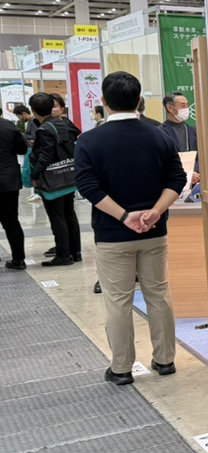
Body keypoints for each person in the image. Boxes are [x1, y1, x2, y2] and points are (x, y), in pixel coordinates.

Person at [74, 71, 187, 386]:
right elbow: (177, 179)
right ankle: (165, 361)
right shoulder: (160, 136)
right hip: (154, 232)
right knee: (158, 295)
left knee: (118, 300)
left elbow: (88, 187)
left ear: (104, 102)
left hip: (112, 236)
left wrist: (124, 217)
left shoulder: (89, 141)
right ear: (139, 101)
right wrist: (155, 211)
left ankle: (122, 368)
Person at [27, 92, 82, 266]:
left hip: (53, 179)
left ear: (33, 110)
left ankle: (63, 255)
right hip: (69, 174)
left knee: (57, 216)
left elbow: (46, 156)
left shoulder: (44, 130)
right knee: (69, 214)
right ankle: (75, 251)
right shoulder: (65, 123)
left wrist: (34, 174)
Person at [0, 114, 28, 269]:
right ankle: (18, 259)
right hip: (8, 180)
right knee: (11, 221)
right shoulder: (10, 126)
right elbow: (22, 149)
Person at [159, 91, 201, 186]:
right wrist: (188, 175)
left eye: (187, 105)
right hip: (173, 183)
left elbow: (201, 157)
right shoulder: (160, 133)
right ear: (170, 108)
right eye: (182, 105)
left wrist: (196, 174)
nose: (187, 108)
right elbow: (163, 162)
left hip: (196, 182)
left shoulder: (194, 131)